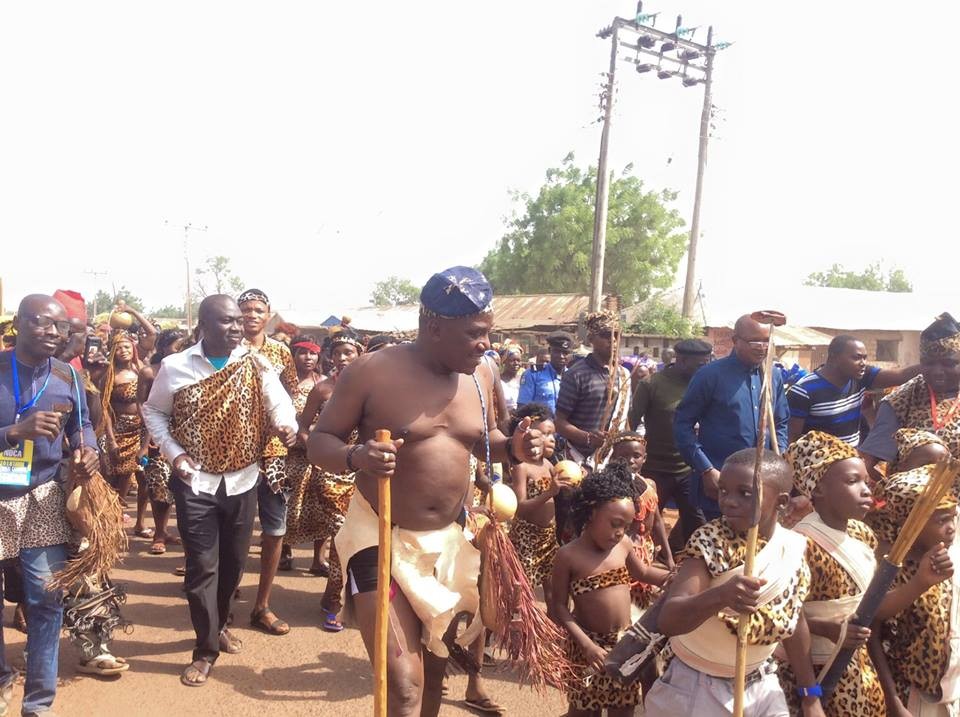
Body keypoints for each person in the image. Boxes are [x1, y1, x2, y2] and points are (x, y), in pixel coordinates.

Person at [307, 266, 543, 717]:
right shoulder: (371, 371)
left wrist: (513, 446)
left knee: (435, 670)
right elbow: (321, 442)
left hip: (448, 544)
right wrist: (358, 457)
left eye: (488, 333)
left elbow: (486, 437)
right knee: (403, 685)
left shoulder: (482, 375)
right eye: (475, 334)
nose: (486, 344)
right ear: (434, 328)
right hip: (378, 538)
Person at [142, 294, 297, 687]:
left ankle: (220, 622)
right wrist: (174, 454)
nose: (237, 327)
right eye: (227, 321)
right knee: (201, 569)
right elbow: (154, 412)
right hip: (194, 481)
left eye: (239, 321)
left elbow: (279, 401)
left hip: (243, 479)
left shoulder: (255, 362)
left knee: (232, 564)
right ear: (204, 326)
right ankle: (205, 649)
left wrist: (284, 424)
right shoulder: (175, 367)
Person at [644, 449, 823, 717]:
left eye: (745, 493)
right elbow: (670, 620)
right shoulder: (710, 540)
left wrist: (810, 695)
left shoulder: (794, 547)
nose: (728, 502)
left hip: (762, 682)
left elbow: (794, 620)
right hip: (698, 685)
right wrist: (721, 596)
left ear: (782, 502)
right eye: (723, 491)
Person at [0, 294, 100, 716]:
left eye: (61, 327)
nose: (54, 333)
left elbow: (84, 425)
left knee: (46, 596)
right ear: (19, 323)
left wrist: (87, 449)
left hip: (42, 494)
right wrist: (12, 431)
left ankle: (38, 702)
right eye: (43, 323)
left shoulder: (67, 376)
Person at [780, 431, 886, 716]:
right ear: (818, 490)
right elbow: (785, 613)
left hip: (859, 666)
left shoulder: (863, 533)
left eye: (866, 480)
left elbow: (874, 605)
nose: (866, 489)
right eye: (853, 481)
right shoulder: (800, 544)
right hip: (815, 672)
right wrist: (825, 627)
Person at [551, 462, 662, 716]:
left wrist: (672, 577)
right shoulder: (568, 556)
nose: (620, 532)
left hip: (624, 646)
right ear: (591, 513)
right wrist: (586, 644)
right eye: (614, 523)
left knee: (623, 708)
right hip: (587, 650)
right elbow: (559, 607)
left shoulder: (622, 545)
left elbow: (644, 573)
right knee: (584, 711)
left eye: (626, 525)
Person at [866, 430, 960, 715]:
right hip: (911, 696)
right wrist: (892, 701)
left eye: (954, 517)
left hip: (949, 690)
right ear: (911, 523)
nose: (952, 527)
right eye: (943, 520)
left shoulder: (944, 553)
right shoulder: (888, 566)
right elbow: (871, 633)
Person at [673, 314, 789, 531]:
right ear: (735, 340)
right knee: (718, 552)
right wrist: (706, 469)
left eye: (767, 341)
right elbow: (682, 425)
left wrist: (778, 456)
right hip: (721, 486)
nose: (762, 348)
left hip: (762, 486)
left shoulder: (773, 376)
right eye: (755, 341)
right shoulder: (709, 375)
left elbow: (781, 422)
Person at [237, 288, 299, 637]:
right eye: (245, 309)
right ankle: (226, 593)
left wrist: (291, 427)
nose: (251, 315)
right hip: (234, 453)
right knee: (237, 528)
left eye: (258, 310)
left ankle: (262, 605)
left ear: (268, 314)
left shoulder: (280, 352)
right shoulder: (227, 351)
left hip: (274, 453)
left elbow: (290, 395)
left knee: (274, 530)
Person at [298, 327, 366, 632]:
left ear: (359, 355)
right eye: (337, 353)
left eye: (348, 352)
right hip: (329, 473)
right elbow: (302, 428)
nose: (342, 358)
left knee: (360, 538)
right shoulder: (322, 390)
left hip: (363, 475)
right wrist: (316, 448)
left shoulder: (370, 389)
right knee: (341, 534)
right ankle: (336, 602)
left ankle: (341, 595)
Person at [629, 338, 712, 547]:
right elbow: (632, 422)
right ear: (682, 360)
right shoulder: (652, 384)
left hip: (688, 470)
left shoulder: (703, 384)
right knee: (643, 523)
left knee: (697, 523)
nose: (706, 368)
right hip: (655, 469)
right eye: (701, 364)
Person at [861, 313, 960, 479]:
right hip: (916, 501)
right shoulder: (900, 400)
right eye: (928, 363)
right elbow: (869, 463)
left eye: (948, 363)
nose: (937, 372)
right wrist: (891, 494)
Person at [787, 334, 920, 445]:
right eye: (856, 358)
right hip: (819, 467)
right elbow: (792, 438)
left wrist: (932, 361)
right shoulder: (804, 391)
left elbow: (901, 376)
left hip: (851, 462)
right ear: (834, 357)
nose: (863, 363)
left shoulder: (861, 378)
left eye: (864, 358)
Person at [556, 312, 631, 466]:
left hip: (613, 461)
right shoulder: (576, 375)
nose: (613, 341)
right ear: (591, 339)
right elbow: (559, 423)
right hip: (581, 460)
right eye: (606, 336)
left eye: (617, 335)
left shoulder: (624, 374)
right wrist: (588, 437)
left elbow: (624, 419)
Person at [609, 432, 674, 610]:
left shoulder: (649, 485)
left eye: (636, 456)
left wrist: (668, 558)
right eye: (623, 456)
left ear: (644, 458)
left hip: (645, 550)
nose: (630, 461)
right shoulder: (611, 488)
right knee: (620, 598)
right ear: (614, 457)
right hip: (621, 552)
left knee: (640, 601)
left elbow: (658, 522)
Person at [508, 403, 564, 607]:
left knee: (552, 588)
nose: (550, 440)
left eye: (553, 435)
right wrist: (550, 492)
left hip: (548, 536)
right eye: (545, 434)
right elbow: (520, 507)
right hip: (527, 539)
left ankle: (552, 629)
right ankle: (521, 630)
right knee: (523, 591)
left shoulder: (549, 465)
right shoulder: (521, 468)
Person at [96, 330, 150, 537]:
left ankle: (137, 521)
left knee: (140, 477)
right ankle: (110, 519)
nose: (123, 351)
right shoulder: (109, 375)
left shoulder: (141, 370)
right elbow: (105, 408)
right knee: (116, 478)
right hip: (118, 430)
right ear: (112, 352)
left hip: (141, 429)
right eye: (118, 348)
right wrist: (110, 439)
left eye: (127, 347)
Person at [278, 339, 324, 573]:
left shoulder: (324, 384)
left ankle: (318, 559)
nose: (308, 358)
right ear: (293, 355)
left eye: (312, 353)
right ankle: (284, 551)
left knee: (321, 506)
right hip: (289, 454)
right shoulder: (283, 384)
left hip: (318, 453)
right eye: (302, 353)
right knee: (286, 504)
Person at [137, 329, 185, 554]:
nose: (180, 351)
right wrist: (147, 440)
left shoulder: (186, 371)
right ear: (164, 348)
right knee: (158, 486)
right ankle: (159, 533)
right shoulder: (149, 372)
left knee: (177, 487)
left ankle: (167, 531)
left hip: (182, 437)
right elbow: (143, 405)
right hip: (154, 436)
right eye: (177, 347)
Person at [517, 331, 574, 415]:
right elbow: (522, 408)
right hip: (539, 426)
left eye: (565, 353)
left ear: (571, 355)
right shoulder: (533, 374)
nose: (561, 356)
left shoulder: (574, 378)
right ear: (550, 351)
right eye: (557, 351)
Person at [499, 346, 523, 412]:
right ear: (504, 361)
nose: (516, 363)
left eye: (518, 360)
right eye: (512, 360)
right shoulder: (498, 381)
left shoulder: (524, 379)